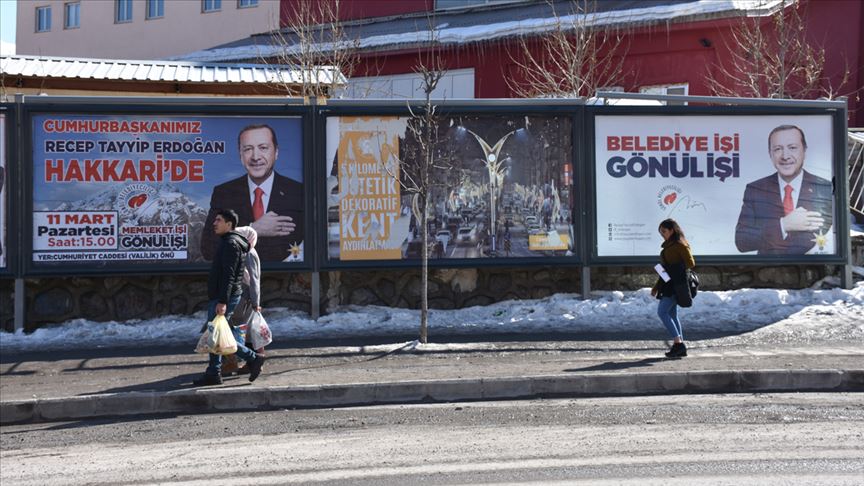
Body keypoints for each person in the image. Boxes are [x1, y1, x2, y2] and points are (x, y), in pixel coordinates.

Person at [201, 124, 304, 262]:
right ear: (240, 155)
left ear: (276, 152)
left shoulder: (298, 192)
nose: (256, 156)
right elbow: (208, 248)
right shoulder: (224, 193)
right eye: (248, 149)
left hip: (285, 279)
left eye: (263, 148)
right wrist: (252, 228)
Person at [735, 125, 833, 255]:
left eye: (792, 148)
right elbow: (742, 241)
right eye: (777, 149)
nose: (785, 156)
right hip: (766, 271)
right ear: (770, 154)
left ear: (804, 150)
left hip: (812, 270)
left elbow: (831, 235)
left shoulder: (824, 188)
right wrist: (783, 225)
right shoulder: (756, 190)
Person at [193, 209, 265, 386]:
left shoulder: (231, 244)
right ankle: (214, 372)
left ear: (229, 224)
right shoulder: (229, 242)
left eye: (219, 220)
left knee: (216, 334)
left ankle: (253, 358)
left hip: (224, 297)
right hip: (223, 296)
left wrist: (223, 301)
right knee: (216, 334)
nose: (214, 223)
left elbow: (229, 275)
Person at [651, 218, 695, 359]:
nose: (662, 234)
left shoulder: (680, 245)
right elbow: (665, 270)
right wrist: (656, 286)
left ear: (672, 230)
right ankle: (680, 346)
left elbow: (690, 263)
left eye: (664, 231)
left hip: (677, 284)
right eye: (660, 232)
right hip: (668, 284)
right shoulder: (668, 246)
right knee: (672, 314)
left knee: (662, 312)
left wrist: (671, 269)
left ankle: (678, 343)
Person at [224, 225, 265, 376]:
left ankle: (237, 362)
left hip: (245, 297)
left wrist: (255, 302)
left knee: (237, 330)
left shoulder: (249, 253)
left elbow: (254, 279)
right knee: (250, 332)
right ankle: (253, 362)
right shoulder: (244, 251)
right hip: (245, 297)